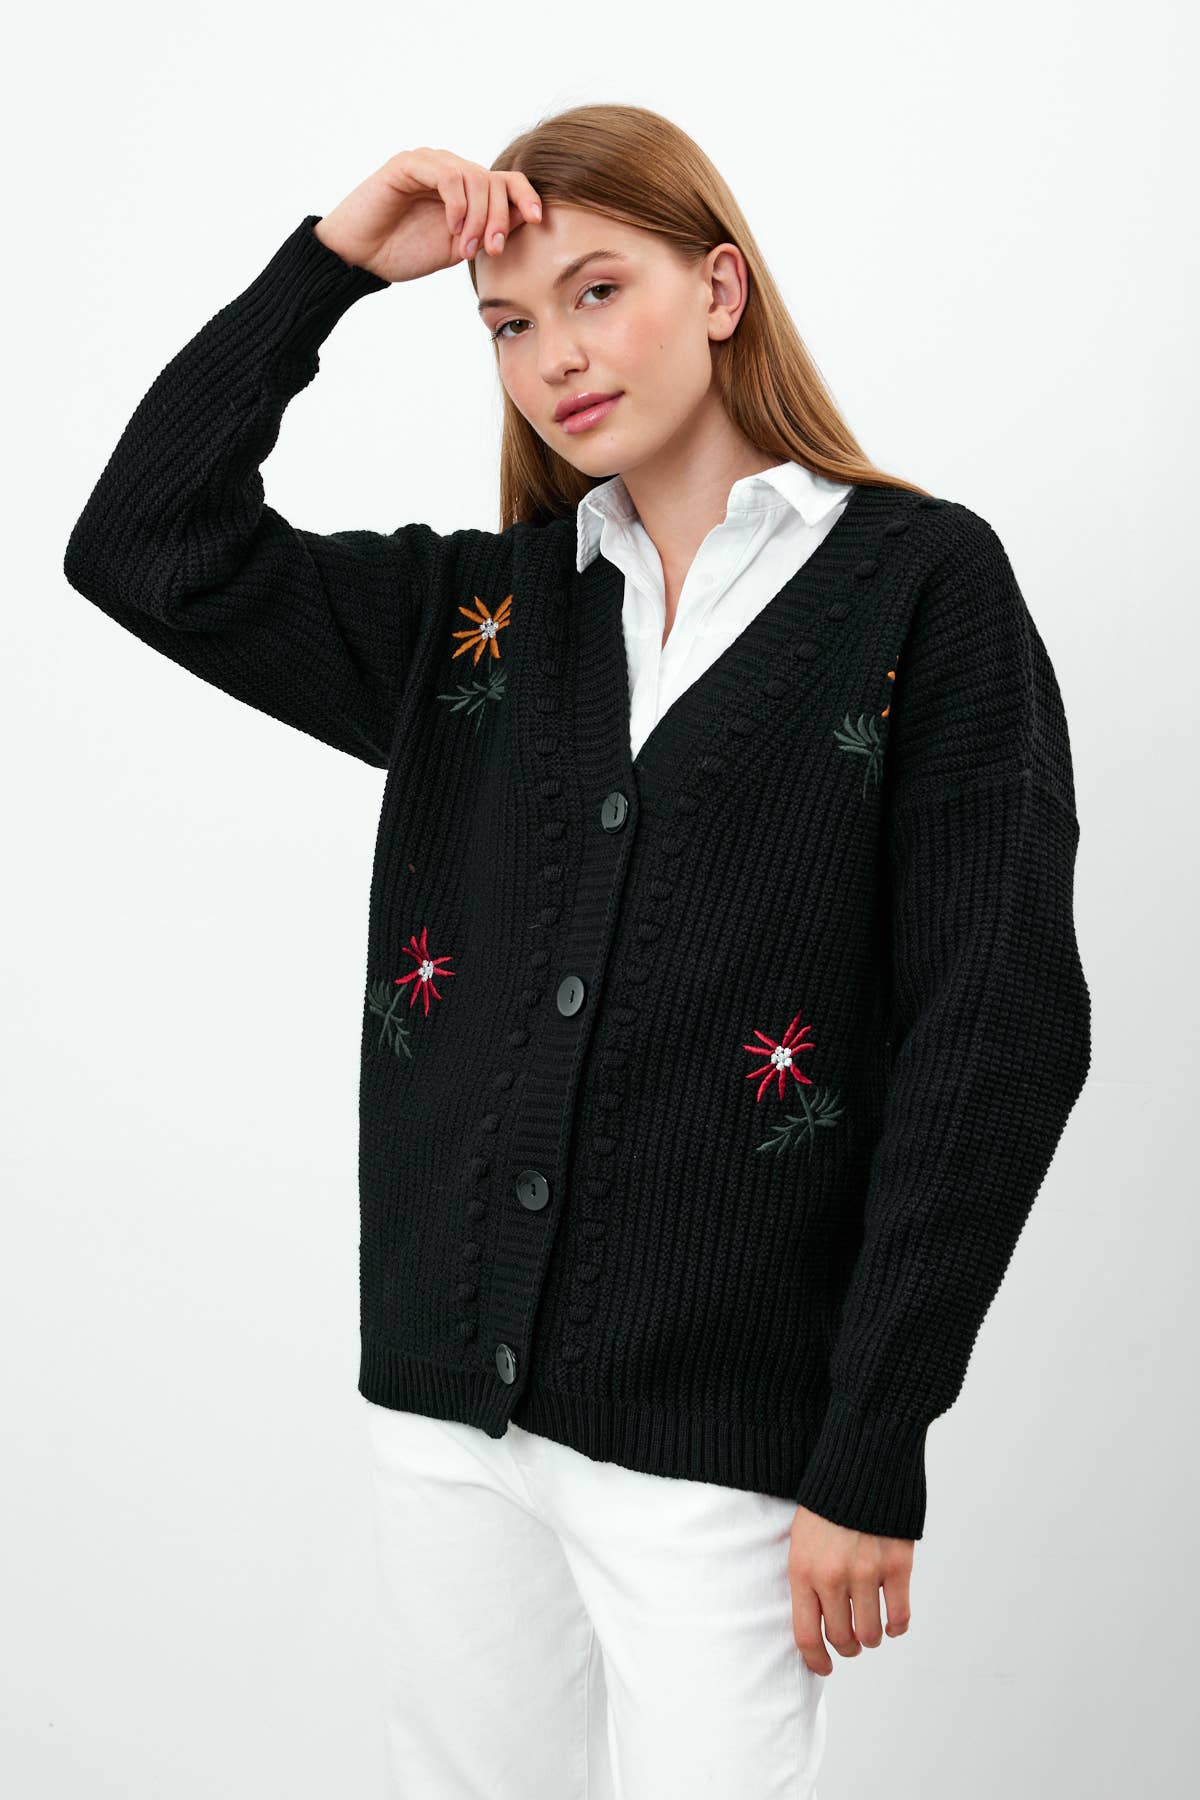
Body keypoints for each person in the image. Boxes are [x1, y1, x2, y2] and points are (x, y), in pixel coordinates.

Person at [63, 104, 1092, 1800]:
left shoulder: (921, 588)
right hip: (449, 1417)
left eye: (599, 291)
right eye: (509, 323)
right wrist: (330, 268)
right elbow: (143, 548)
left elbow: (998, 1026)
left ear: (720, 289)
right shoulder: (485, 618)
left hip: (723, 1435)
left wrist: (873, 1439)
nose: (555, 356)